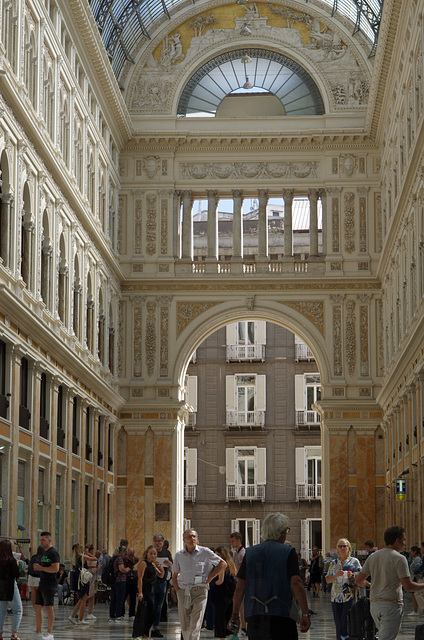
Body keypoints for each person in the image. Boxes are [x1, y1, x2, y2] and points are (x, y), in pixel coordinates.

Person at [230, 513, 311, 640]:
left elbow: (240, 587)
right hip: (282, 614)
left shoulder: (250, 553)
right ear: (282, 533)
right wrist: (305, 613)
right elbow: (296, 583)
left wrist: (235, 615)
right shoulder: (288, 552)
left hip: (254, 614)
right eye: (286, 531)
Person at [355, 525, 424, 640]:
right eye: (404, 539)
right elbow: (408, 586)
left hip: (375, 606)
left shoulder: (373, 556)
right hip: (391, 605)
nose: (405, 543)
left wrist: (369, 585)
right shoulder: (399, 559)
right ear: (397, 541)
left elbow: (358, 580)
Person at [172, 529, 226, 640]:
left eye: (194, 536)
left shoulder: (205, 552)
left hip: (200, 591)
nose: (191, 539)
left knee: (196, 623)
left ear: (197, 539)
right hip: (184, 591)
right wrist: (177, 591)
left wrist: (210, 578)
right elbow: (174, 575)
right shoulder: (179, 555)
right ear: (184, 540)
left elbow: (222, 564)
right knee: (185, 624)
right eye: (189, 537)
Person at [326, 538, 361, 640]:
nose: (342, 548)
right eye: (340, 546)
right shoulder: (333, 563)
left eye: (344, 546)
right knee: (338, 622)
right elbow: (327, 580)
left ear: (348, 548)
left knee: (345, 621)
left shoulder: (354, 561)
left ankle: (346, 638)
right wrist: (336, 576)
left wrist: (353, 575)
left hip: (349, 595)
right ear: (337, 549)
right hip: (336, 597)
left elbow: (360, 576)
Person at [132, 545, 165, 638]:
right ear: (147, 554)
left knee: (151, 613)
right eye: (151, 553)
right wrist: (140, 592)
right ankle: (138, 634)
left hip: (151, 589)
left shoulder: (153, 564)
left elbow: (161, 575)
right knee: (143, 613)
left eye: (155, 554)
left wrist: (161, 569)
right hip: (145, 589)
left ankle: (146, 633)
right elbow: (140, 578)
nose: (153, 556)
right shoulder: (143, 563)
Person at [33, 531, 60, 640]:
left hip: (50, 584)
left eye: (43, 539)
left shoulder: (53, 553)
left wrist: (41, 568)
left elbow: (55, 568)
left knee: (49, 607)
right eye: (40, 540)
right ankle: (38, 632)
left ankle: (50, 633)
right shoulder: (44, 552)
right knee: (38, 606)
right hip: (42, 582)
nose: (41, 542)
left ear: (49, 540)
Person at [68, 543, 97, 625]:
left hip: (79, 580)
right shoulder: (82, 557)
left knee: (81, 600)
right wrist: (88, 553)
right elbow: (95, 559)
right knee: (84, 599)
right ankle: (81, 619)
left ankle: (72, 616)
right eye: (82, 547)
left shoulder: (76, 558)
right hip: (83, 581)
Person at [151, 533, 173, 637]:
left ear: (163, 543)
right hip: (152, 582)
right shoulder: (151, 551)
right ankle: (148, 626)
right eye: (156, 541)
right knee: (151, 604)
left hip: (162, 582)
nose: (158, 543)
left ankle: (156, 627)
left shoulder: (166, 553)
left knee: (159, 605)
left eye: (160, 541)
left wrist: (169, 565)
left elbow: (172, 568)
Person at [0, 539, 22, 640]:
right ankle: (14, 634)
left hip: (0, 587)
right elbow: (17, 574)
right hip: (10, 586)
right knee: (18, 610)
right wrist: (17, 565)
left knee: (1, 611)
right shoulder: (11, 560)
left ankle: (0, 634)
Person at [213, 546, 236, 640]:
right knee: (228, 617)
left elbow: (220, 581)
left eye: (218, 555)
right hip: (230, 594)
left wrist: (211, 581)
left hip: (222, 594)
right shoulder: (230, 565)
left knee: (220, 617)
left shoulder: (221, 565)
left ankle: (222, 637)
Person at [230, 532, 246, 636]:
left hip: (241, 581)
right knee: (238, 604)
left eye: (233, 541)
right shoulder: (236, 553)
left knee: (242, 605)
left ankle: (244, 627)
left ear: (239, 541)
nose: (231, 543)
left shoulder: (242, 553)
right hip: (236, 580)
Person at [109, 545, 130, 622]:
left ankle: (112, 614)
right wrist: (127, 569)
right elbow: (121, 569)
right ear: (122, 552)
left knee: (113, 598)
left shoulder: (113, 558)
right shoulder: (120, 558)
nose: (125, 554)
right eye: (125, 552)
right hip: (120, 581)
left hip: (114, 580)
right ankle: (118, 615)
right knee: (120, 598)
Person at [85, 544, 98, 622]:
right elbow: (92, 568)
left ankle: (90, 612)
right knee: (89, 595)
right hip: (90, 577)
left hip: (94, 578)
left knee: (93, 595)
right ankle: (87, 613)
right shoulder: (88, 558)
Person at [125, 547, 139, 619]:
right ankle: (122, 613)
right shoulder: (124, 559)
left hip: (134, 580)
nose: (131, 557)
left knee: (133, 597)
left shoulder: (136, 559)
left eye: (132, 555)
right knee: (124, 596)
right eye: (129, 555)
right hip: (126, 580)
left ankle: (132, 613)